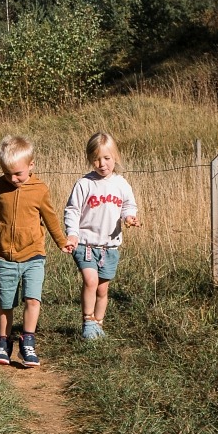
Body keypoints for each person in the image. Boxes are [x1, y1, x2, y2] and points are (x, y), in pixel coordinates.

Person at [0, 135, 73, 368]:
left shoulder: (40, 190)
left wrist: (61, 241)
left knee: (32, 300)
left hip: (34, 255)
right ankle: (3, 342)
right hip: (6, 256)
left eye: (18, 173)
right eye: (7, 173)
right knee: (6, 304)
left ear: (31, 166)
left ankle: (28, 342)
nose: (13, 178)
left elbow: (50, 218)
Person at [63, 131, 140, 341]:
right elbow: (72, 210)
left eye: (106, 158)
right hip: (86, 244)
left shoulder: (121, 184)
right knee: (90, 280)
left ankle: (99, 324)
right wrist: (72, 234)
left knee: (103, 289)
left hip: (109, 247)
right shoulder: (84, 184)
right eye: (96, 159)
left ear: (115, 157)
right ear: (90, 159)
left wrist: (129, 218)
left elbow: (128, 205)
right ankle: (88, 322)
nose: (102, 163)